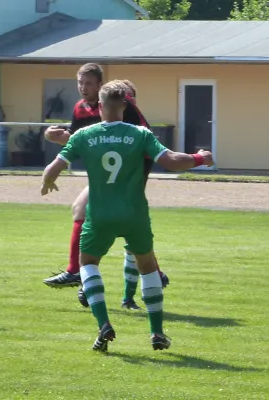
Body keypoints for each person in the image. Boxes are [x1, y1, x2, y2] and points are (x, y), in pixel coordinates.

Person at [41, 80, 214, 352]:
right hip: (134, 213)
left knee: (87, 265)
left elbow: (54, 167)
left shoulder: (84, 135)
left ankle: (103, 325)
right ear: (125, 105)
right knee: (147, 266)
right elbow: (170, 161)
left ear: (99, 106)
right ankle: (157, 333)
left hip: (100, 215)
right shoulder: (140, 134)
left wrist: (47, 182)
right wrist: (201, 157)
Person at [43, 64, 168, 310]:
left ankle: (77, 272)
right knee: (87, 212)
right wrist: (56, 136)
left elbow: (145, 141)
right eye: (80, 82)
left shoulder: (126, 108)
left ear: (100, 86)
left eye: (88, 83)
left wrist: (136, 179)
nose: (82, 87)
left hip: (128, 177)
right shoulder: (80, 108)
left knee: (98, 215)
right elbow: (80, 139)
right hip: (104, 175)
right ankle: (80, 273)